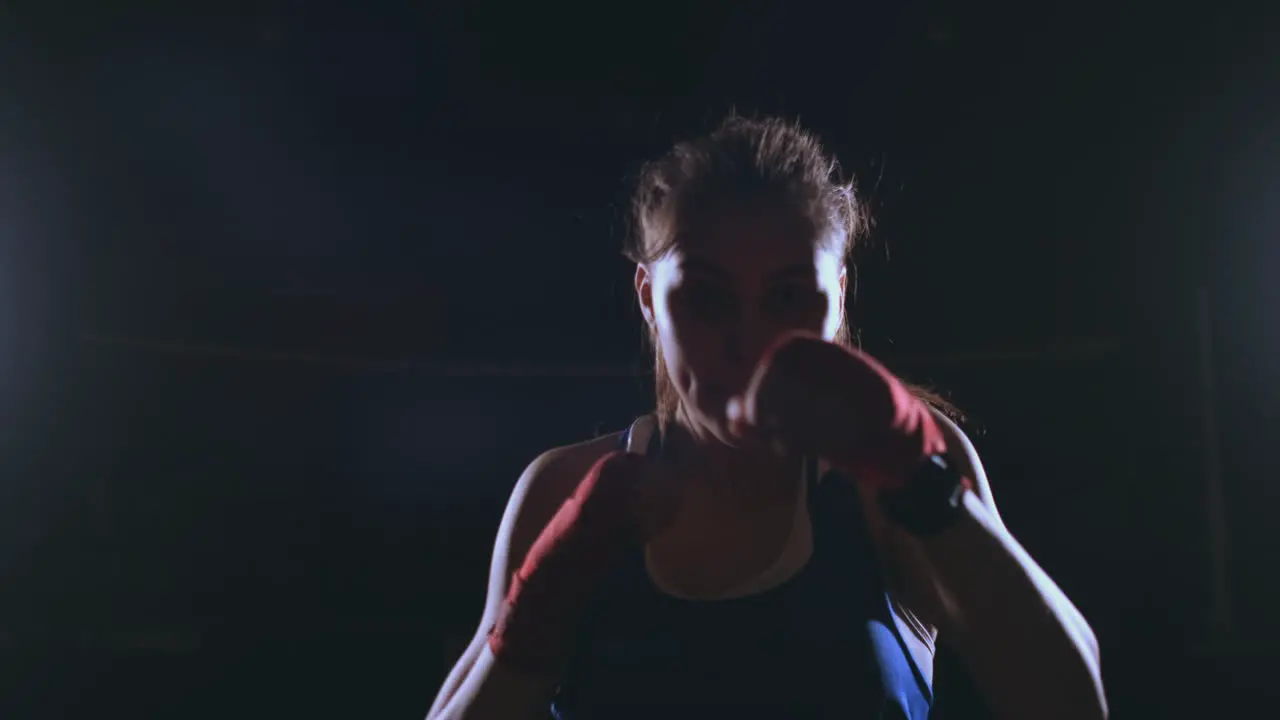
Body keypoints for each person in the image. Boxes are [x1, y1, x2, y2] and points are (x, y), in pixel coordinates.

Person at [426, 116, 1108, 719]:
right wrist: (538, 610)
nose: (749, 340)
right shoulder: (563, 489)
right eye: (707, 297)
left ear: (838, 293)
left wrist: (926, 487)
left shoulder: (894, 486)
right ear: (647, 296)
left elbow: (1075, 704)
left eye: (787, 296)